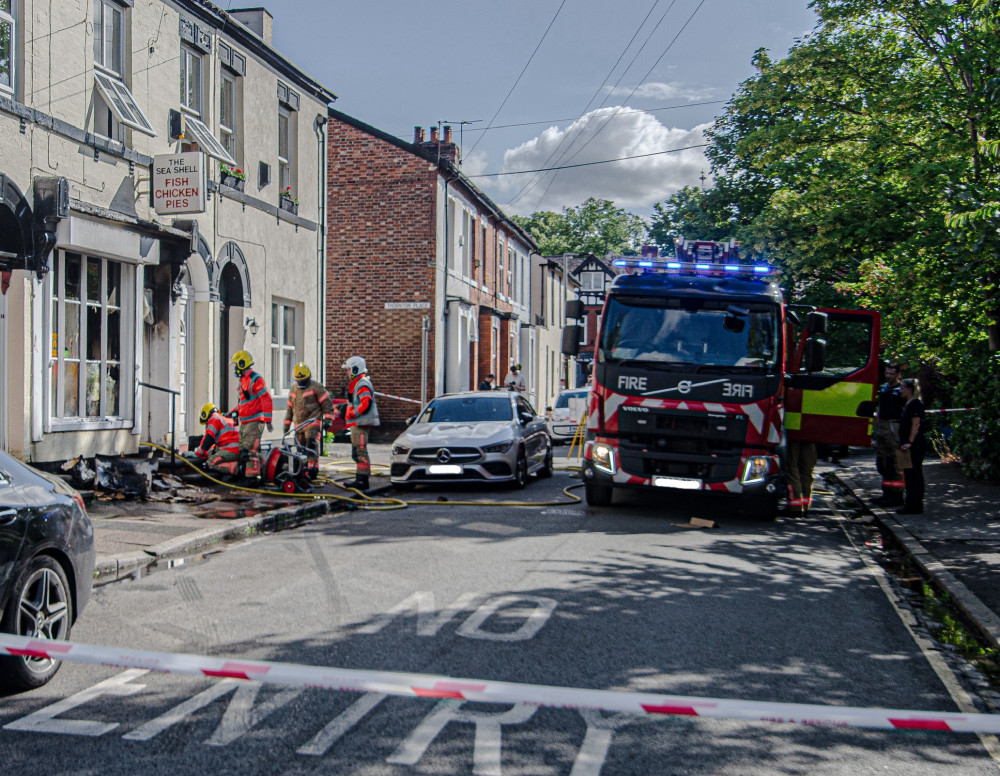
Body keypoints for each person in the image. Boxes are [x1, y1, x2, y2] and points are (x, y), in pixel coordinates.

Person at [228, 350, 273, 482]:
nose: (235, 368)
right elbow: (245, 402)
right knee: (243, 449)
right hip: (246, 423)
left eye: (236, 365)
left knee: (249, 451)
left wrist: (268, 420)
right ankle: (254, 472)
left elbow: (266, 399)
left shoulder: (255, 380)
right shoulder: (244, 381)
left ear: (242, 364)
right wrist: (233, 412)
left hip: (254, 422)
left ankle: (252, 479)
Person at [341, 355, 380, 490]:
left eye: (348, 370)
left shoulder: (362, 383)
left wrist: (353, 413)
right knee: (357, 452)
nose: (347, 372)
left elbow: (366, 402)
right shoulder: (358, 383)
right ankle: (360, 478)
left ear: (356, 369)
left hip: (360, 424)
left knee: (360, 452)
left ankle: (362, 481)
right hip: (357, 424)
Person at [284, 362, 336, 459]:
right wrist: (287, 424)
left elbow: (327, 404)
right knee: (300, 449)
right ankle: (302, 470)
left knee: (311, 445)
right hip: (298, 425)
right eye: (298, 380)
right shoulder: (293, 390)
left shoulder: (317, 387)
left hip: (312, 422)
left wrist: (328, 420)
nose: (301, 383)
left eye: (303, 380)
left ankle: (312, 469)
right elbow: (290, 409)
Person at [873, 363, 905, 506]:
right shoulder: (885, 388)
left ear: (899, 375)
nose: (888, 376)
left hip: (894, 426)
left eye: (891, 374)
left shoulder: (901, 391)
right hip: (883, 425)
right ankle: (886, 493)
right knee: (883, 462)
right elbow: (880, 407)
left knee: (895, 462)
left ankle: (897, 496)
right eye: (887, 373)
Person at [897, 377, 927, 514]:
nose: (899, 390)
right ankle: (910, 502)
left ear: (909, 390)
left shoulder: (915, 404)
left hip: (913, 446)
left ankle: (914, 504)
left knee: (913, 474)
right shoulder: (909, 403)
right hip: (905, 445)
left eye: (902, 387)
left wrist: (909, 442)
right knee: (908, 474)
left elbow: (916, 424)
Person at [188, 403, 242, 478]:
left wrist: (197, 453)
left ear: (206, 415)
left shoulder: (214, 419)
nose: (207, 425)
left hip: (230, 450)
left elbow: (208, 440)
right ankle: (237, 465)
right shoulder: (225, 419)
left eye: (206, 423)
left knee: (210, 463)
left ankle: (238, 468)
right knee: (211, 452)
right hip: (238, 450)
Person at [785, 439, 818, 516]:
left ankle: (796, 507)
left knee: (792, 468)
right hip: (810, 435)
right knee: (807, 471)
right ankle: (806, 506)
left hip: (794, 434)